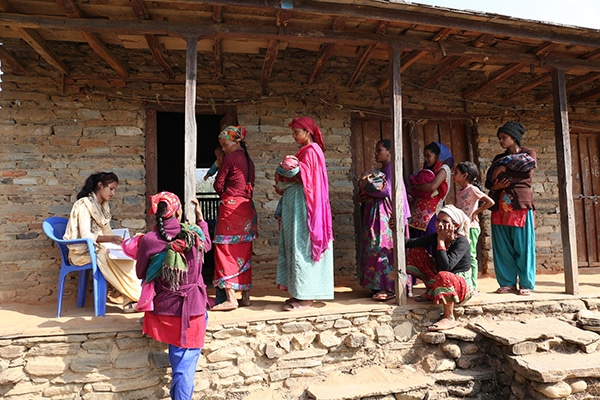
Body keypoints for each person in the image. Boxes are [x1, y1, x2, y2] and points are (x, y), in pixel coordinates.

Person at [136, 192, 211, 400]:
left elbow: (140, 273)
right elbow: (208, 245)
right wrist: (201, 219)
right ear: (178, 212)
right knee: (184, 368)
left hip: (164, 312)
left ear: (157, 215)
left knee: (179, 359)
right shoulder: (194, 234)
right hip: (193, 311)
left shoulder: (149, 240)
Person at [276, 116, 334, 311]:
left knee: (303, 246)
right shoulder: (304, 152)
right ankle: (298, 292)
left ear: (308, 132)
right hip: (297, 207)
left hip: (306, 208)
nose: (294, 136)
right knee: (295, 245)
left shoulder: (312, 151)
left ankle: (306, 297)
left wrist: (289, 169)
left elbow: (307, 178)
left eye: (296, 132)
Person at [63, 172, 141, 313]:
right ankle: (136, 298)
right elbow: (86, 235)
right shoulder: (84, 205)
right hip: (82, 253)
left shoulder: (104, 206)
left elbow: (107, 232)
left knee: (127, 255)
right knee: (108, 255)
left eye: (114, 189)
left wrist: (123, 243)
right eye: (111, 188)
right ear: (100, 185)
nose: (113, 193)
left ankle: (132, 298)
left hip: (99, 249)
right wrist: (111, 240)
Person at [485, 121, 537, 296]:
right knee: (503, 246)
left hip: (519, 205)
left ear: (514, 138)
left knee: (523, 245)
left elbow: (527, 167)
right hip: (500, 205)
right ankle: (507, 282)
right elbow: (489, 180)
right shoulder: (497, 158)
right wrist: (497, 186)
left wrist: (503, 166)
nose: (501, 141)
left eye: (504, 137)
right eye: (499, 138)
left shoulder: (529, 153)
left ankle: (526, 283)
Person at [405, 205, 474, 331]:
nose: (439, 224)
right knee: (414, 252)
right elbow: (410, 243)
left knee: (444, 275)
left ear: (456, 226)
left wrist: (441, 242)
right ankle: (432, 290)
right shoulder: (435, 237)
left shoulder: (461, 242)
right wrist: (395, 229)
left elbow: (447, 267)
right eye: (438, 220)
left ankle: (449, 316)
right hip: (442, 278)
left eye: (445, 222)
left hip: (460, 286)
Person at [357, 139, 411, 301]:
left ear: (390, 152)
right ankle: (377, 284)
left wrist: (364, 180)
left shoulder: (393, 170)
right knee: (375, 247)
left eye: (379, 150)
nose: (376, 153)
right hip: (379, 216)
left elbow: (384, 190)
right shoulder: (384, 170)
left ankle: (390, 287)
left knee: (384, 248)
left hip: (387, 217)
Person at [211, 125, 257, 311]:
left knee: (225, 250)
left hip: (231, 209)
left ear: (235, 141)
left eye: (225, 144)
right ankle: (246, 295)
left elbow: (218, 184)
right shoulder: (249, 160)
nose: (223, 148)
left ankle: (231, 297)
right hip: (246, 209)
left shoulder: (230, 158)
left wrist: (224, 192)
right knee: (243, 251)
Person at [453, 161, 495, 292]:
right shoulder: (460, 192)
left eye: (457, 173)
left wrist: (476, 212)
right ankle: (465, 284)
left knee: (471, 256)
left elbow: (490, 202)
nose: (454, 174)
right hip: (461, 228)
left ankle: (473, 286)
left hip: (471, 227)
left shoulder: (472, 189)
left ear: (465, 175)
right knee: (462, 255)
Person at [408, 142, 454, 239]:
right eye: (424, 156)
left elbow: (432, 187)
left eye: (428, 156)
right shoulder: (429, 171)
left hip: (432, 213)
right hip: (419, 214)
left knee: (429, 238)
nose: (426, 159)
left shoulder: (444, 169)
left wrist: (415, 187)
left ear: (437, 156)